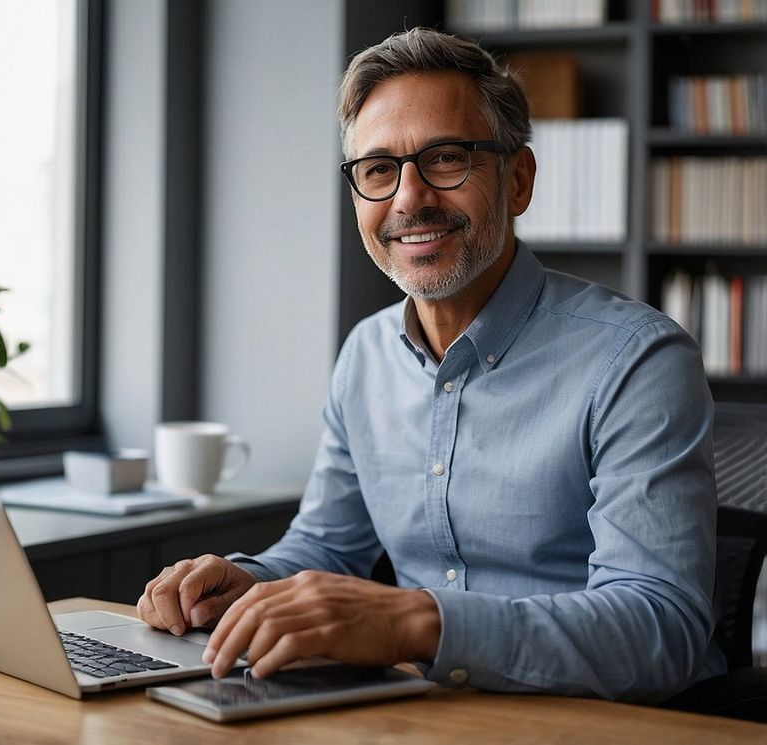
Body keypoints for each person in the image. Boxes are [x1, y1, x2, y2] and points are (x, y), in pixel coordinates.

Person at [137, 27, 726, 703]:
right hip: (423, 713)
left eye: (446, 159)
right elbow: (326, 549)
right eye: (379, 170)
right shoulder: (364, 356)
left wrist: (417, 621)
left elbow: (662, 628)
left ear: (519, 180)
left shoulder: (637, 360)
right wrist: (248, 582)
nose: (409, 199)